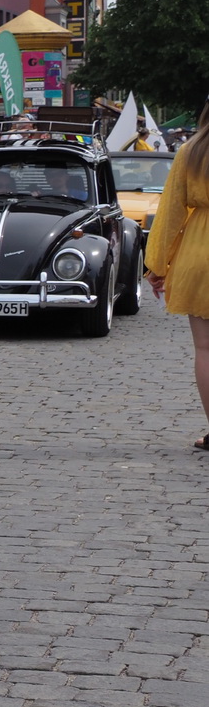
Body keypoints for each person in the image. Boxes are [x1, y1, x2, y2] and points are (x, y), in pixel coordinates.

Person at [145, 101, 209, 451]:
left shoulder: (191, 151)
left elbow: (170, 210)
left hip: (200, 252)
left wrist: (157, 266)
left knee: (205, 348)